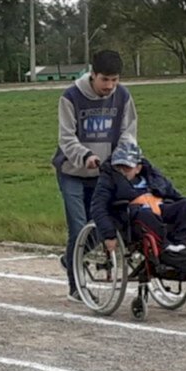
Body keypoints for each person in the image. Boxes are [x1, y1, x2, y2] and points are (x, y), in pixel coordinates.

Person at [51, 49, 138, 299]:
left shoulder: (122, 97)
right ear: (92, 75)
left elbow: (128, 131)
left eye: (115, 80)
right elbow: (66, 137)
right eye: (104, 80)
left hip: (104, 173)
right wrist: (85, 155)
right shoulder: (70, 97)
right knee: (78, 227)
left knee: (103, 224)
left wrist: (122, 159)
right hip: (72, 172)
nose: (110, 86)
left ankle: (73, 259)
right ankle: (76, 287)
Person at [89, 142, 186, 256]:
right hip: (131, 217)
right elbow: (98, 207)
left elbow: (171, 192)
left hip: (158, 208)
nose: (122, 172)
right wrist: (109, 234)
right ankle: (165, 246)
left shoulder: (151, 176)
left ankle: (181, 244)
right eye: (118, 167)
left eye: (127, 168)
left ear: (138, 168)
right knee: (146, 214)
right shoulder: (108, 179)